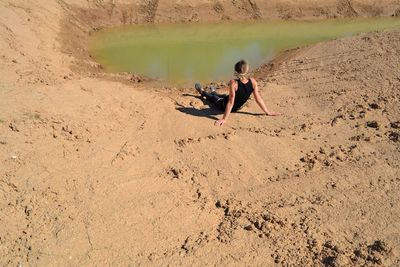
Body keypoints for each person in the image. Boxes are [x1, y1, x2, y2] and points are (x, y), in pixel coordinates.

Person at [195, 59, 281, 126]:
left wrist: (224, 119)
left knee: (214, 99)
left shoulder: (233, 83)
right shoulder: (253, 81)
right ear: (247, 70)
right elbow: (258, 99)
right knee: (224, 96)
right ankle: (213, 91)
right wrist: (267, 112)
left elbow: (230, 102)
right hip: (238, 107)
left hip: (225, 106)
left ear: (235, 71)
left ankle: (202, 92)